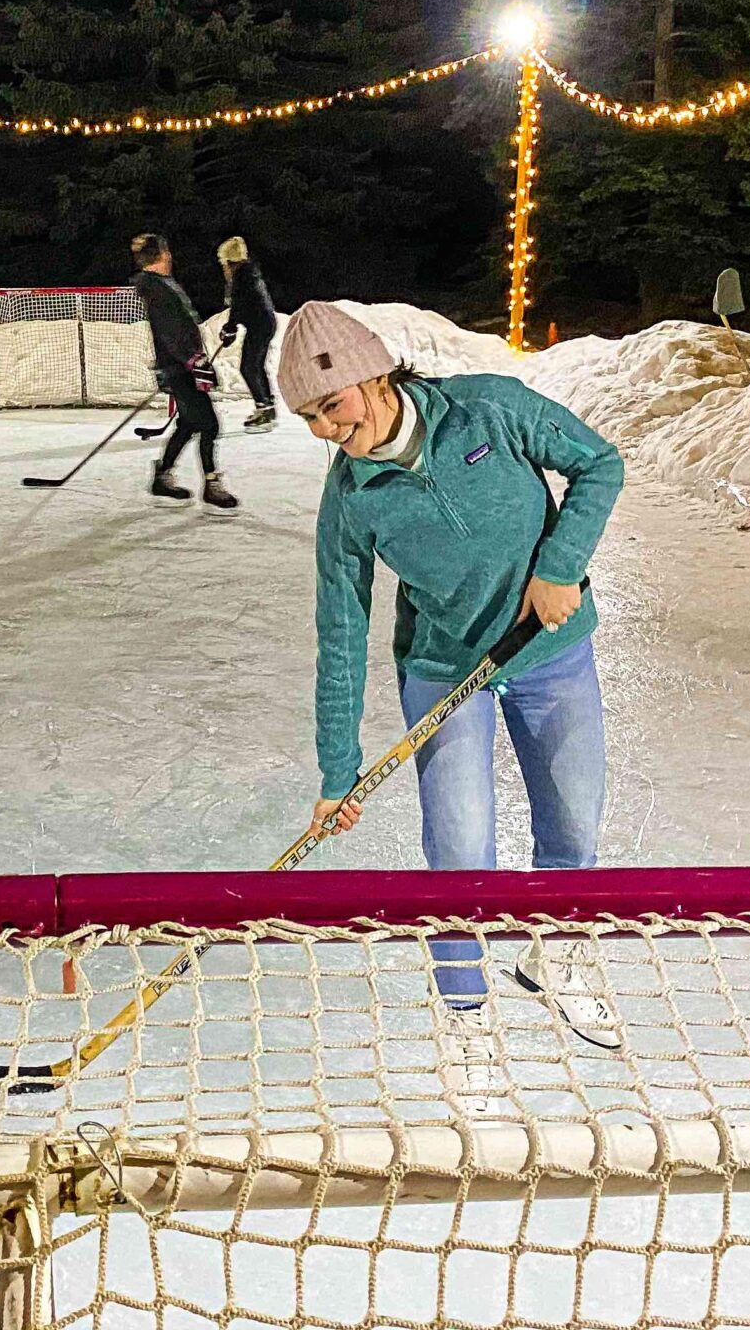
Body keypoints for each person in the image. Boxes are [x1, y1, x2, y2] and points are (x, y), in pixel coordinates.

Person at [278, 300, 625, 1079]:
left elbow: (600, 463)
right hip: (446, 670)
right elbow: (340, 634)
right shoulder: (351, 502)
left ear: (373, 377)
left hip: (550, 650)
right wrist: (338, 773)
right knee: (461, 850)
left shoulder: (487, 409)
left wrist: (560, 566)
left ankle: (558, 960)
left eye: (330, 406)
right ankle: (465, 1012)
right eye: (306, 416)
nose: (325, 430)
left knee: (571, 831)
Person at [130, 232, 236, 510]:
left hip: (179, 366)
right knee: (209, 424)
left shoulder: (160, 285)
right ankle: (212, 484)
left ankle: (162, 476)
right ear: (163, 255)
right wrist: (194, 362)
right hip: (180, 368)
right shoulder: (158, 289)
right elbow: (172, 333)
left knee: (190, 424)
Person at [215, 236, 279, 432]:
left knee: (249, 367)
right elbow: (244, 306)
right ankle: (267, 405)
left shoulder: (242, 277)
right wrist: (231, 327)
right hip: (262, 324)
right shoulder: (247, 273)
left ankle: (265, 408)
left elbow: (239, 306)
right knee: (254, 366)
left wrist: (231, 327)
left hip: (261, 325)